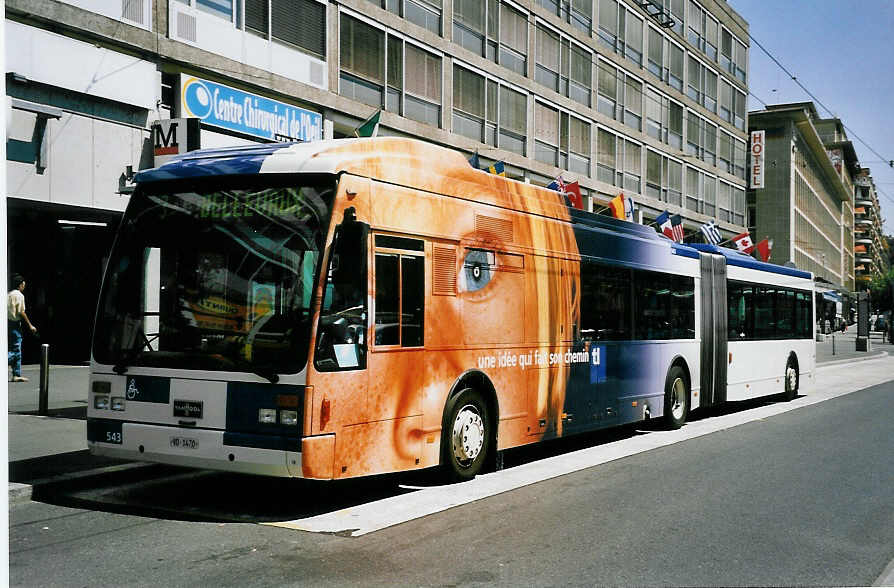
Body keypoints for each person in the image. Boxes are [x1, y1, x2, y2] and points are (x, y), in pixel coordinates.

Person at [8, 274, 38, 382]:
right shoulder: (19, 296)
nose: (24, 287)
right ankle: (15, 373)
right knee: (16, 350)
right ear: (20, 285)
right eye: (23, 285)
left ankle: (16, 374)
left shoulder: (8, 294)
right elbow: (21, 312)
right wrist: (30, 325)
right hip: (15, 324)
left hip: (7, 323)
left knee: (15, 348)